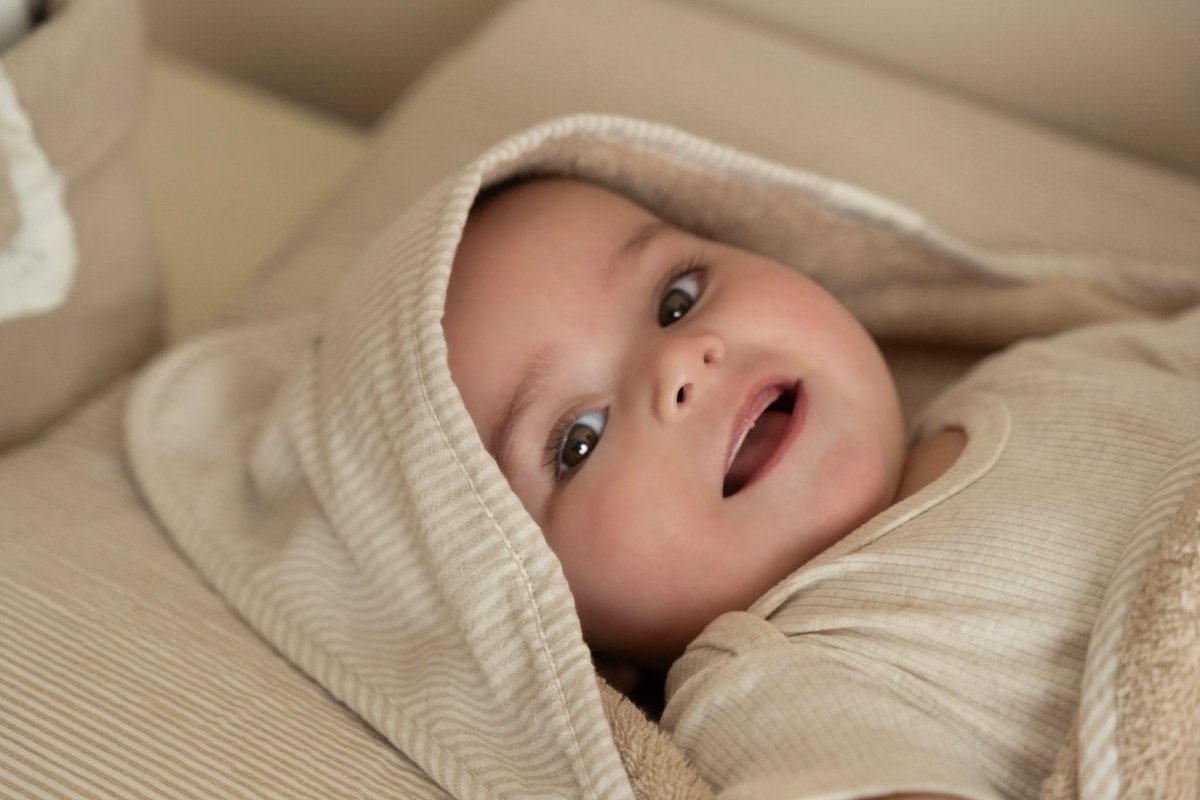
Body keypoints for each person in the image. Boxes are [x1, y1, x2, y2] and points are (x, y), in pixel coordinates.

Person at [442, 176, 1200, 798]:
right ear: (564, 628)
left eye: (677, 299)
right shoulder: (760, 680)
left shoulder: (1050, 370)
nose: (678, 363)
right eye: (579, 441)